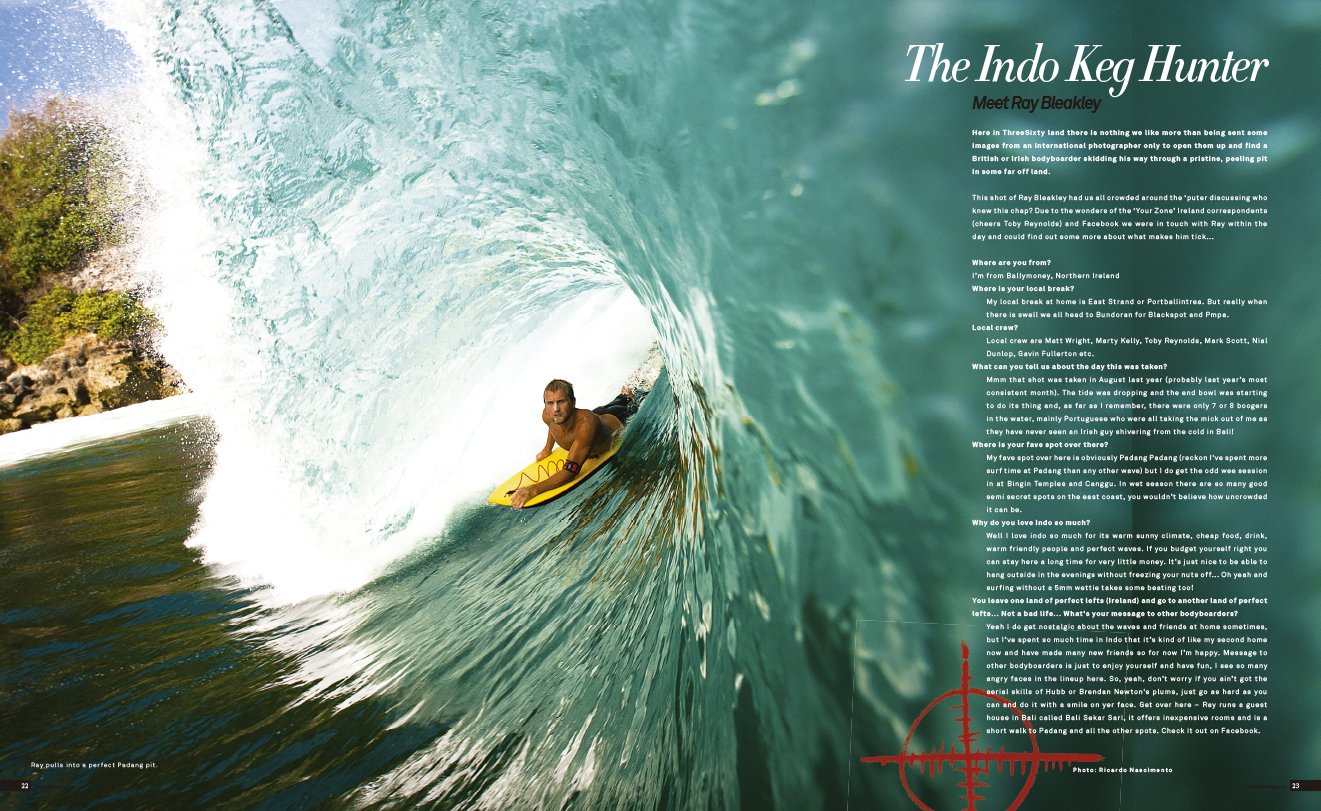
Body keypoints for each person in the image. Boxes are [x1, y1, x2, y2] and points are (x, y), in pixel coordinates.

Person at [508, 379, 642, 509]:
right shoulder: (548, 415)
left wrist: (533, 490)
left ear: (573, 402)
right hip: (597, 414)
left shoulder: (585, 426)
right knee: (618, 399)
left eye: (561, 402)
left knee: (630, 399)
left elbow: (570, 472)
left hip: (618, 417)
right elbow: (552, 426)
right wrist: (547, 449)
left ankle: (639, 381)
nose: (555, 409)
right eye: (550, 403)